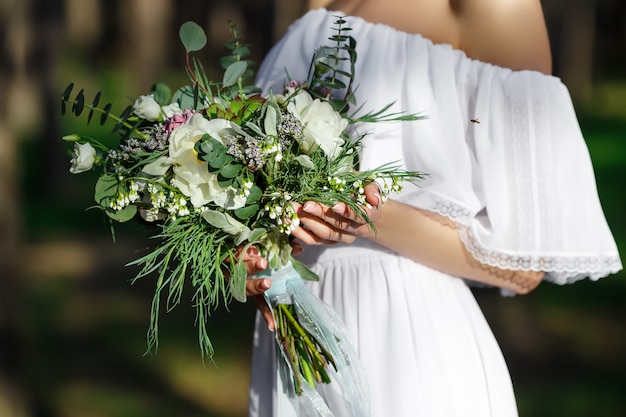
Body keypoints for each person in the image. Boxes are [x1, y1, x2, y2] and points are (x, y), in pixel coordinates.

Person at [242, 0, 623, 416]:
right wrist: (242, 253)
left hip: (409, 347)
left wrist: (366, 215)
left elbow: (525, 266)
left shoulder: (497, 8)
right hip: (291, 342)